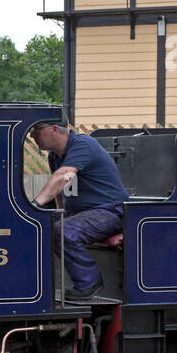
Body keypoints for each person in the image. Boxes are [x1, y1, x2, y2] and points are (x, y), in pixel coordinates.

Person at [28, 121, 129, 300]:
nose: (32, 136)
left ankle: (89, 282)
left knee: (62, 231)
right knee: (40, 226)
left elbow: (61, 176)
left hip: (110, 211)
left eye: (36, 130)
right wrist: (59, 214)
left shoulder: (83, 144)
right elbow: (59, 189)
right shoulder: (54, 155)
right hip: (83, 212)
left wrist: (34, 205)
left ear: (54, 129)